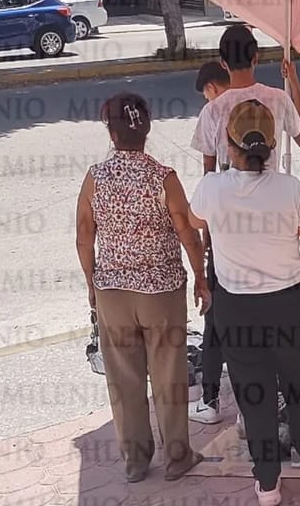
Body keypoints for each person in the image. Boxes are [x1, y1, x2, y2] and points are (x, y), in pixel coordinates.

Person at [188, 100, 300, 505]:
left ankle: (268, 484)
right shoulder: (290, 188)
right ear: (271, 144)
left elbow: (194, 221)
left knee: (255, 396)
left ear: (229, 144)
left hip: (237, 311)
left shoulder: (211, 188)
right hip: (291, 305)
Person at [75, 92, 210, 483]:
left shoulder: (95, 178)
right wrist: (201, 278)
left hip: (112, 292)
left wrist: (92, 284)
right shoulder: (163, 177)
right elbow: (188, 234)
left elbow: (84, 237)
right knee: (169, 376)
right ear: (147, 129)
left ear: (111, 133)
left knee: (124, 380)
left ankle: (135, 462)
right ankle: (178, 457)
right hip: (162, 293)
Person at [191, 24, 300, 174]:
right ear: (255, 58)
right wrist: (294, 82)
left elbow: (209, 173)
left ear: (223, 63)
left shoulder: (211, 110)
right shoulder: (279, 99)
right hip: (270, 186)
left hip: (230, 189)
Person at [187, 61, 231, 424]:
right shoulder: (268, 100)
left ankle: (211, 400)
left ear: (212, 88)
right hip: (262, 233)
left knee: (215, 320)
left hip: (222, 232)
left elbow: (207, 172)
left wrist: (205, 238)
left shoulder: (212, 111)